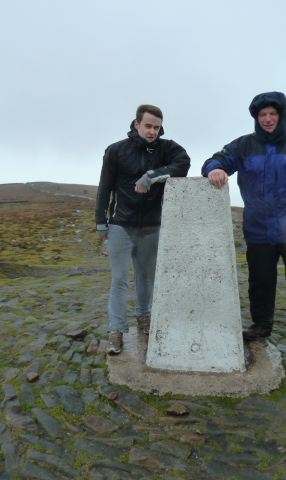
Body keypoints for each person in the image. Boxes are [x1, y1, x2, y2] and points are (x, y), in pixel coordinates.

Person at [202, 92, 286, 370]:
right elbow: (216, 159)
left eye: (272, 114)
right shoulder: (244, 146)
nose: (267, 120)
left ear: (281, 115)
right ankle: (262, 326)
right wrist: (215, 169)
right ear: (256, 118)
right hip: (259, 230)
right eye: (262, 115)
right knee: (260, 282)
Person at [96, 105, 191, 354]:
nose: (152, 131)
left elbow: (184, 163)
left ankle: (144, 317)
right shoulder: (116, 150)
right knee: (119, 280)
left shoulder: (166, 148)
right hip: (120, 225)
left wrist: (152, 175)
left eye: (156, 127)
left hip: (151, 225)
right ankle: (116, 331)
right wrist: (100, 222)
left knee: (146, 278)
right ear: (136, 124)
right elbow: (104, 187)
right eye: (148, 126)